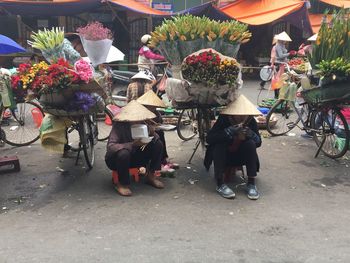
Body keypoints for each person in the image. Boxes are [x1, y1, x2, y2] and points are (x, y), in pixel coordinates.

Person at [204, 95, 262, 200]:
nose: (241, 118)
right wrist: (229, 131)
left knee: (250, 144)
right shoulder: (224, 119)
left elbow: (258, 142)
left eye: (244, 115)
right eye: (238, 115)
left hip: (241, 155)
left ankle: (251, 183)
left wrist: (251, 134)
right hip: (224, 156)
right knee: (219, 145)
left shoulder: (250, 120)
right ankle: (220, 183)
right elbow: (210, 139)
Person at [105, 100, 165, 196]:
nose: (137, 120)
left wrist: (152, 133)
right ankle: (122, 184)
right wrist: (132, 144)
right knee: (124, 153)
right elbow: (111, 147)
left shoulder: (143, 123)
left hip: (136, 157)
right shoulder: (119, 126)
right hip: (117, 160)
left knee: (158, 144)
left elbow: (154, 139)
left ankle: (151, 175)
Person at [136, 90, 178, 171]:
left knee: (160, 133)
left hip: (152, 132)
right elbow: (139, 127)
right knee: (157, 136)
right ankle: (146, 164)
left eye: (154, 106)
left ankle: (163, 159)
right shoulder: (139, 112)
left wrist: (157, 125)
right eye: (151, 106)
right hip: (139, 135)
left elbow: (159, 123)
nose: (153, 108)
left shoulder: (156, 113)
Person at [260, 32, 296, 98]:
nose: (285, 41)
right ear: (282, 40)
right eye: (285, 40)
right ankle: (276, 95)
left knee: (280, 80)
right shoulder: (278, 46)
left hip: (282, 64)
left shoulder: (282, 45)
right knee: (277, 80)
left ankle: (279, 95)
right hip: (278, 64)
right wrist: (289, 53)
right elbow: (281, 56)